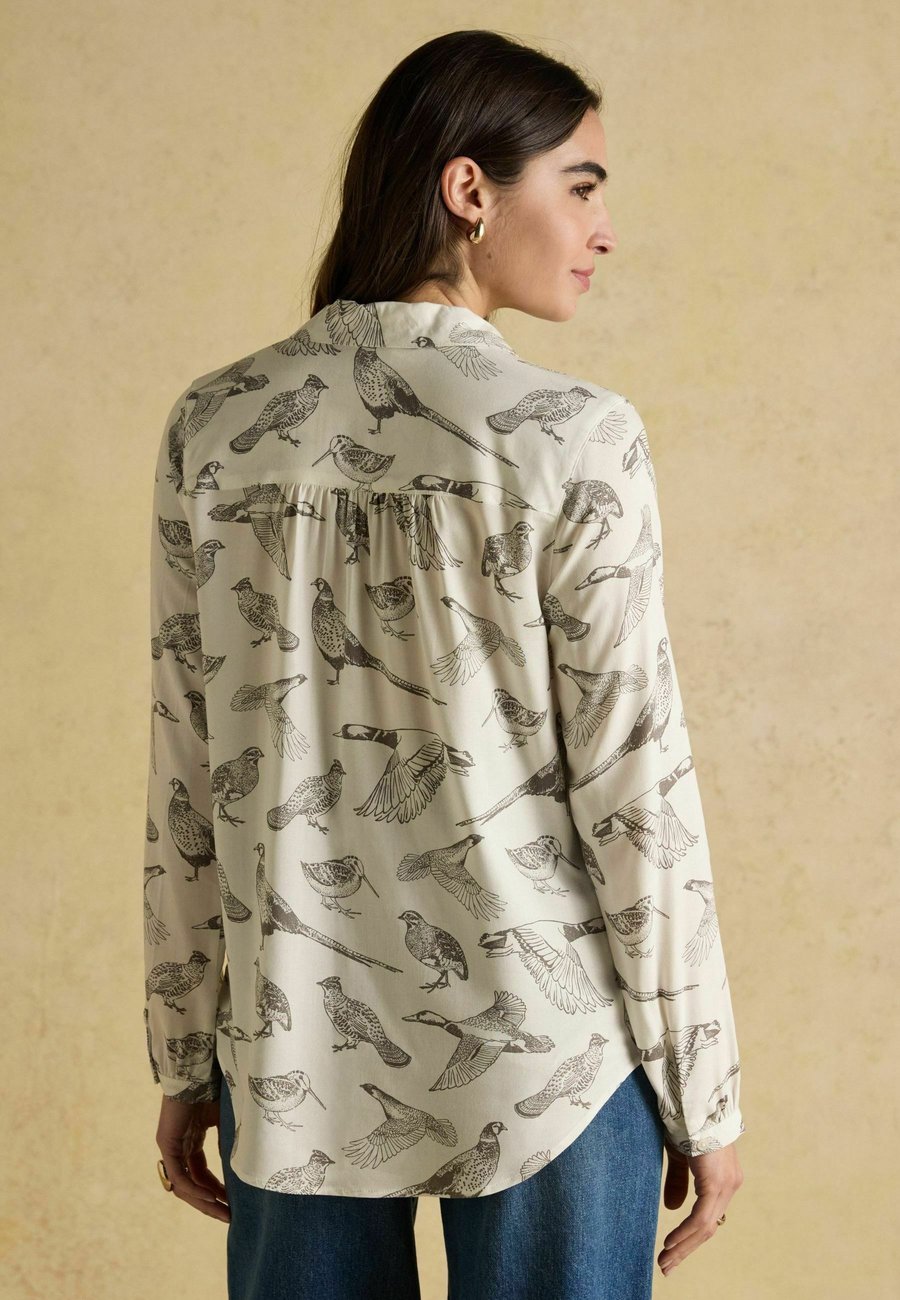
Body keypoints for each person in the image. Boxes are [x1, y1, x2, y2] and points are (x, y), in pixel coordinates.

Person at [144, 28, 745, 1299]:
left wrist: (186, 1049)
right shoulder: (573, 438)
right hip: (552, 1059)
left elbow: (191, 775)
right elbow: (636, 791)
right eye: (581, 184)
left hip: (293, 1050)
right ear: (471, 189)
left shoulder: (216, 425)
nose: (604, 229)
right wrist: (704, 1088)